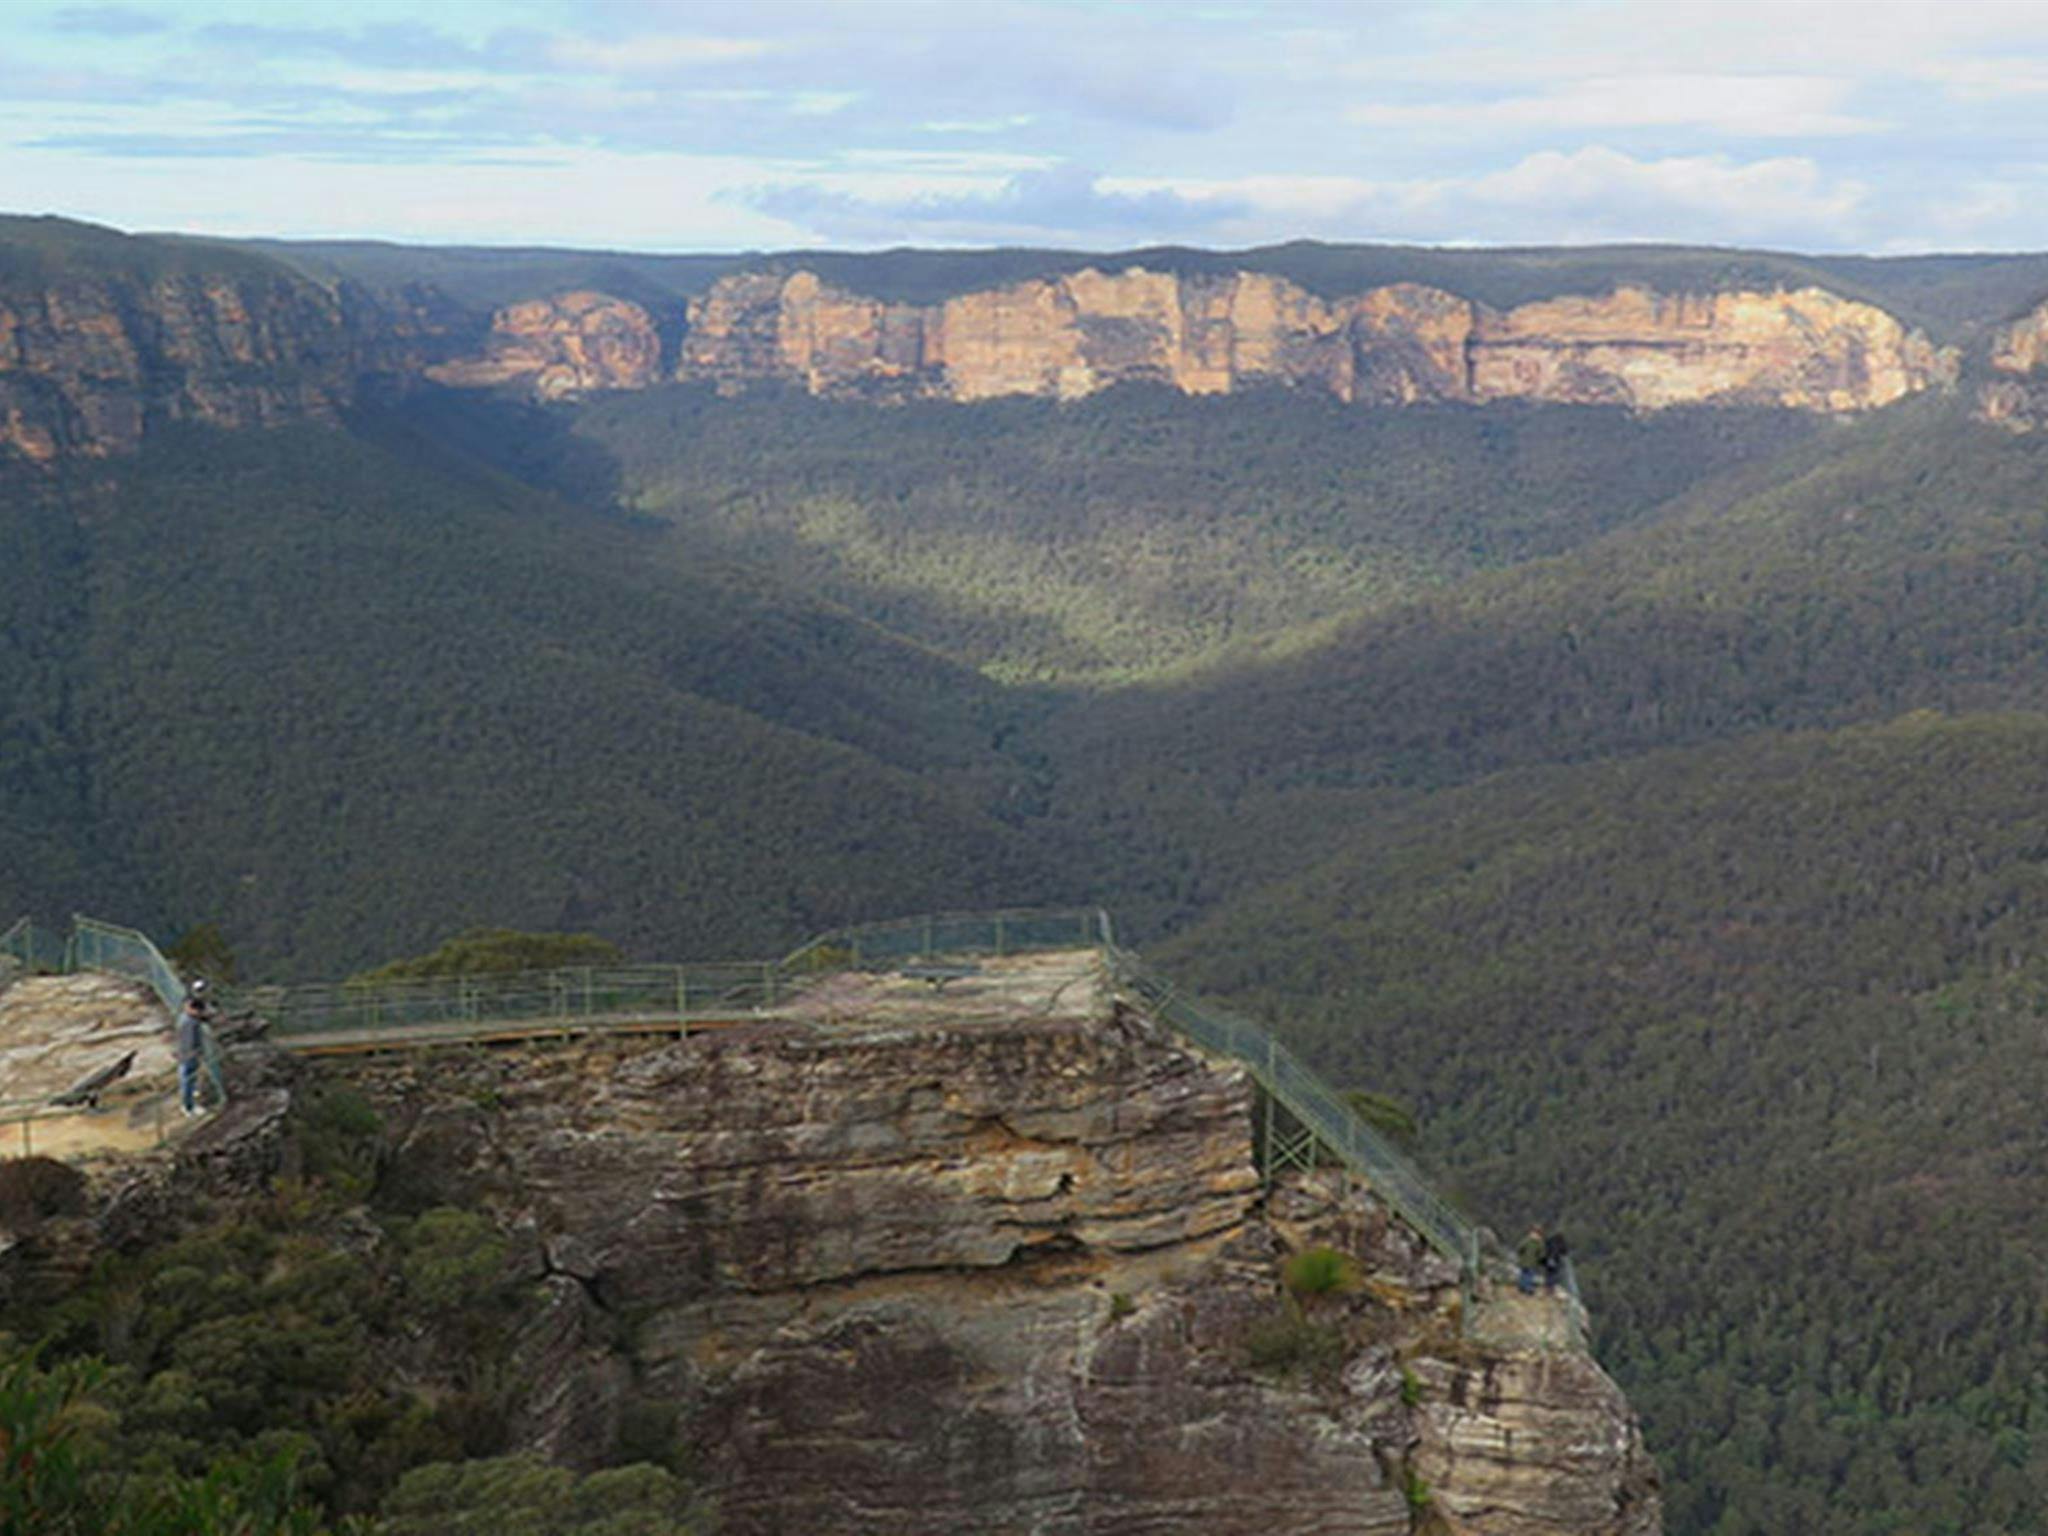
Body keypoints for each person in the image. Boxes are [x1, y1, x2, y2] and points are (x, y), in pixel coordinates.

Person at [175, 980, 213, 1117]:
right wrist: (195, 1054)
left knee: (189, 1077)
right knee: (187, 1078)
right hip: (188, 1054)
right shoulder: (189, 1023)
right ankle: (188, 1107)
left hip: (186, 1053)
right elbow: (188, 1041)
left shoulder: (186, 1017)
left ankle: (190, 1098)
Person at [1516, 1225, 1545, 1295]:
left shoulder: (1527, 1240)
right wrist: (1540, 1260)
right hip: (1533, 1263)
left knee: (1523, 1274)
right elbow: (1542, 1254)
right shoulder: (1539, 1243)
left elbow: (1519, 1248)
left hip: (1523, 1261)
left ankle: (1522, 1287)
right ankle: (1528, 1289)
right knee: (1529, 1276)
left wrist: (1521, 1255)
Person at [1542, 1229, 1570, 1293]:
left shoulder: (1550, 1240)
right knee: (1554, 1273)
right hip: (1555, 1259)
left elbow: (1545, 1245)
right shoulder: (1561, 1242)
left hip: (1548, 1258)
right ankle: (1550, 1287)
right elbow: (1565, 1251)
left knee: (1549, 1272)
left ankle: (1546, 1286)